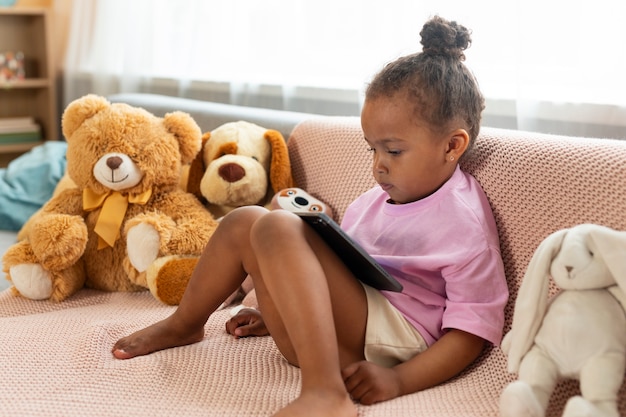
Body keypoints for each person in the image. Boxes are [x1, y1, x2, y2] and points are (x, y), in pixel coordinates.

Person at [112, 15, 509, 417]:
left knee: (279, 224)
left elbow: (470, 332)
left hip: (390, 346)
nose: (378, 166)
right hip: (331, 338)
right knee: (245, 220)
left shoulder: (464, 220)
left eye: (393, 150)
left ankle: (326, 393)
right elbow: (327, 276)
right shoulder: (373, 201)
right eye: (372, 149)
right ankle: (186, 323)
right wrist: (276, 311)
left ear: (452, 146)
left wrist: (400, 381)